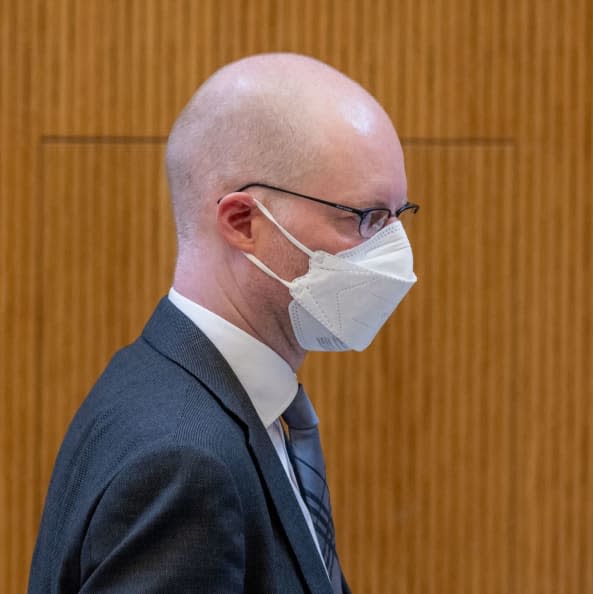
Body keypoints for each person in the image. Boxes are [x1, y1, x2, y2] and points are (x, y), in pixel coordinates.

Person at [29, 53, 418, 593]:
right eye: (365, 218)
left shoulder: (163, 383)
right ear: (242, 222)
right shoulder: (183, 461)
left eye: (399, 217)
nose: (395, 252)